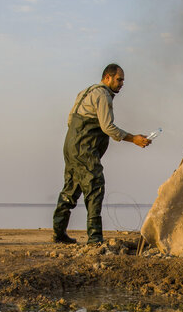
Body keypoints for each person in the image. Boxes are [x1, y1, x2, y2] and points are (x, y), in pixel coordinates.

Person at [52, 64, 151, 245]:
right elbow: (108, 127)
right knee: (95, 186)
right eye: (119, 79)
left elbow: (70, 121)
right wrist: (133, 139)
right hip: (84, 149)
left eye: (123, 80)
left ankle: (59, 233)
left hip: (70, 146)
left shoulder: (85, 92)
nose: (122, 84)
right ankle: (95, 237)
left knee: (71, 188)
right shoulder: (103, 95)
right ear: (107, 78)